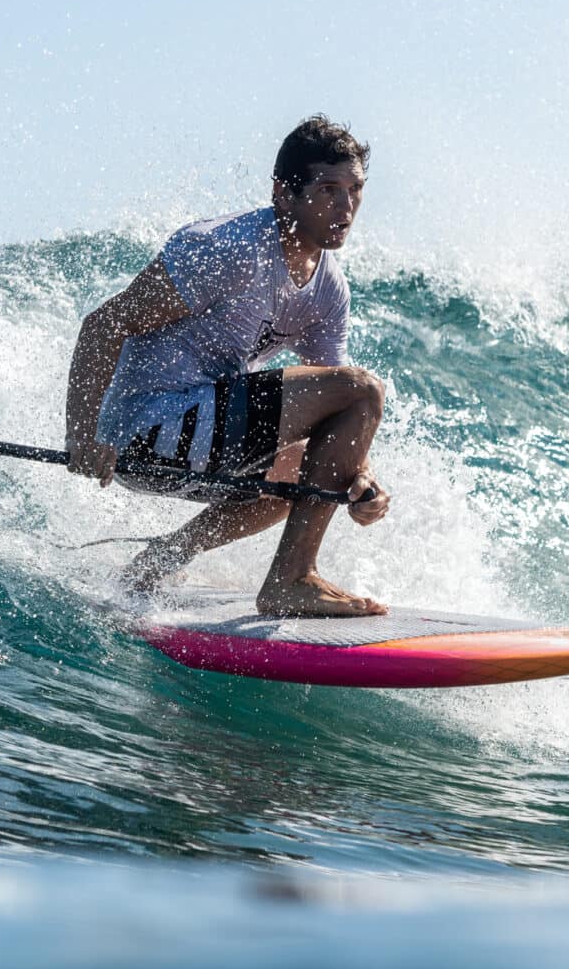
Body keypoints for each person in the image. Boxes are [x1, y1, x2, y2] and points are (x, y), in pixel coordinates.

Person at [64, 115, 392, 617]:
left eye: (355, 190)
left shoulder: (329, 290)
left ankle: (160, 559)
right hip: (146, 432)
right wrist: (82, 437)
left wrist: (358, 478)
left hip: (203, 443)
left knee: (319, 466)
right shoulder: (229, 248)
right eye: (329, 189)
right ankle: (292, 579)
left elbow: (336, 420)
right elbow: (103, 325)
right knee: (364, 390)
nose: (346, 207)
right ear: (284, 194)